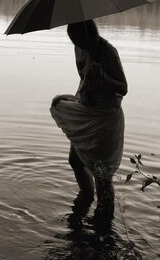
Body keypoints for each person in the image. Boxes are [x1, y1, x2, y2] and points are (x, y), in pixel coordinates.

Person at [50, 20, 127, 219]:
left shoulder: (108, 52)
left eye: (78, 38)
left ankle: (104, 217)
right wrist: (75, 96)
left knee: (102, 175)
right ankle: (86, 197)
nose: (75, 43)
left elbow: (123, 88)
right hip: (87, 110)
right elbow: (86, 79)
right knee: (75, 160)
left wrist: (103, 76)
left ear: (89, 34)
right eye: (72, 39)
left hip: (105, 118)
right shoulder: (79, 48)